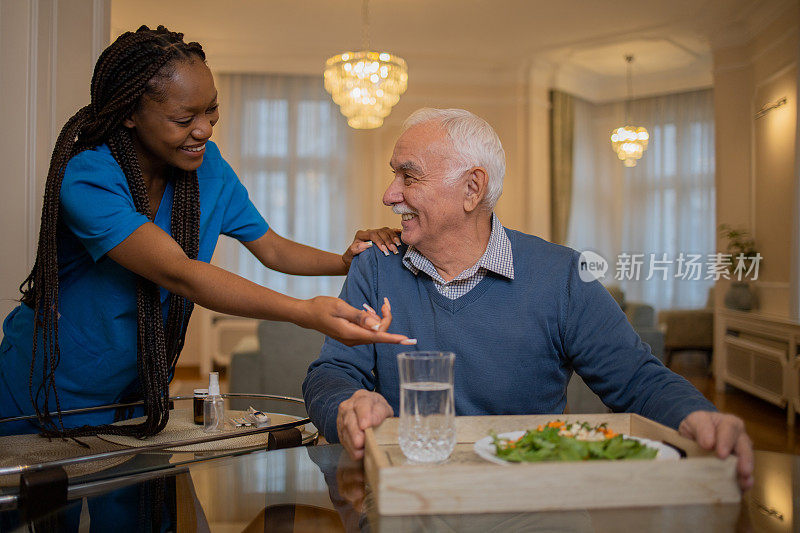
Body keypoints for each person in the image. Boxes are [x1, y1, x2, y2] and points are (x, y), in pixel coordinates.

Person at [302, 108, 754, 490]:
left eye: (409, 176)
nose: (389, 195)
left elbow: (636, 379)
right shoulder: (375, 265)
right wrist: (346, 405)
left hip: (531, 499)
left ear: (472, 189)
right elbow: (332, 373)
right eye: (392, 174)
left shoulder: (562, 276)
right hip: (406, 496)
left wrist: (696, 415)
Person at [0, 25, 413, 438]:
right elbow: (181, 273)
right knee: (51, 501)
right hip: (50, 381)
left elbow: (271, 248)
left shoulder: (206, 165)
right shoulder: (87, 178)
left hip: (139, 385)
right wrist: (305, 312)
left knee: (140, 501)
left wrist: (343, 262)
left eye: (211, 110)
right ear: (129, 113)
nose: (205, 129)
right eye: (184, 119)